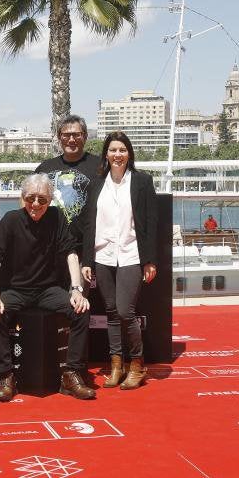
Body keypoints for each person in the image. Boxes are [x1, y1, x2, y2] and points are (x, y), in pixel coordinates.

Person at [0, 173, 95, 402]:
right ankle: (5, 376)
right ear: (23, 198)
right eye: (31, 198)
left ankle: (71, 373)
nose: (36, 204)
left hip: (47, 290)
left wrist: (76, 289)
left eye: (42, 200)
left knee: (81, 311)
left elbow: (71, 253)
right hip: (15, 289)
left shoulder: (56, 217)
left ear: (50, 200)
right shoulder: (11, 220)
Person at [81, 131, 157, 390]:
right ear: (106, 154)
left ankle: (137, 364)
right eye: (113, 150)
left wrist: (150, 260)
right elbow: (89, 223)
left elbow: (150, 223)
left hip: (130, 254)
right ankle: (116, 365)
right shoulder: (97, 183)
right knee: (112, 313)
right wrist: (87, 259)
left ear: (129, 154)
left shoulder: (142, 182)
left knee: (126, 311)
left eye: (122, 150)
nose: (117, 155)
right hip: (102, 255)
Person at [35, 115, 100, 266]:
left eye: (76, 134)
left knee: (81, 289)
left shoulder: (100, 166)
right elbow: (27, 199)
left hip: (88, 246)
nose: (71, 140)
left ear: (85, 136)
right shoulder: (45, 168)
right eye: (66, 135)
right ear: (59, 137)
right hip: (51, 245)